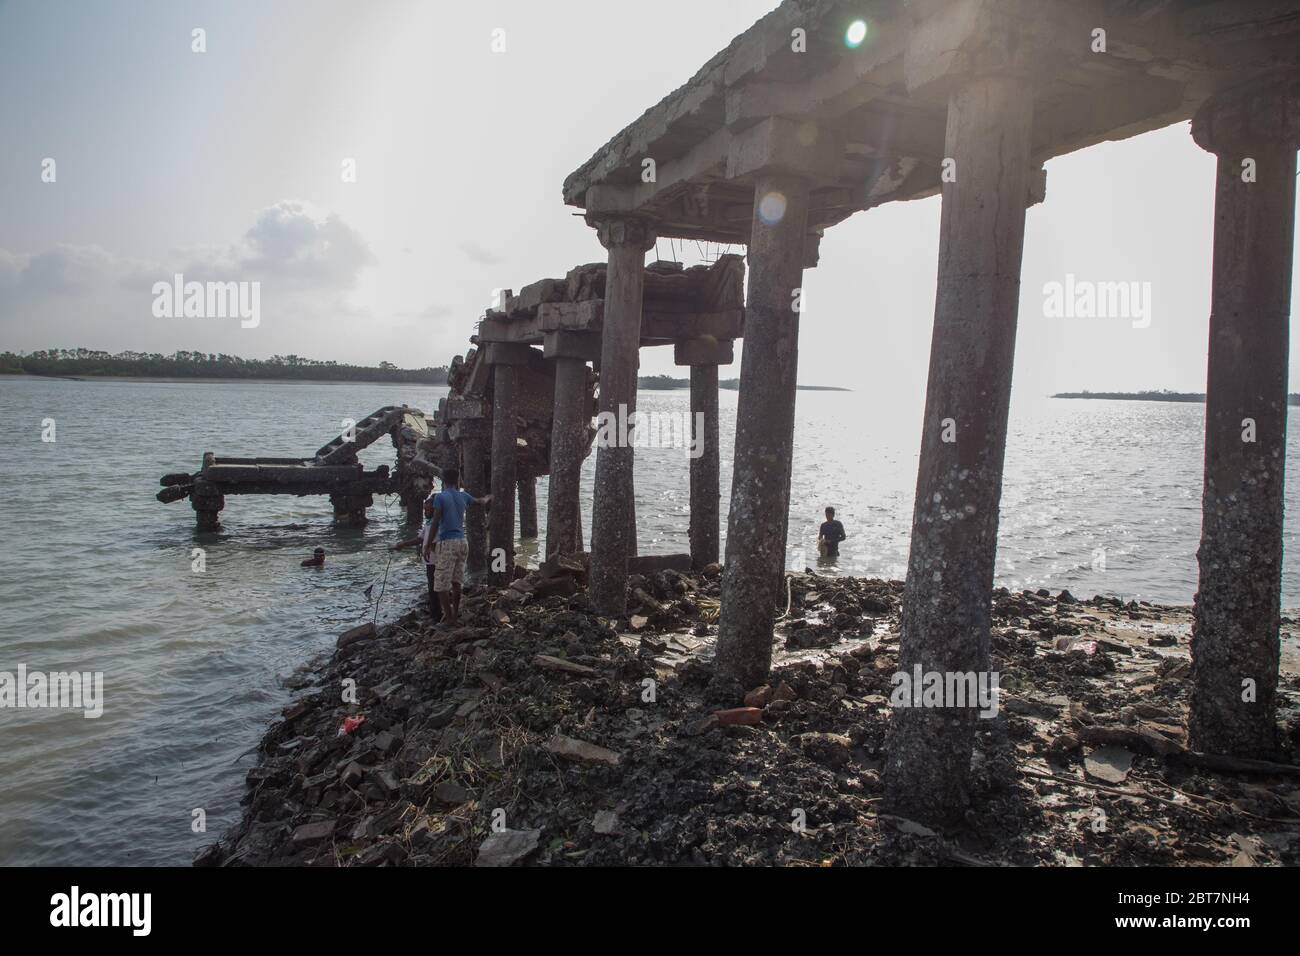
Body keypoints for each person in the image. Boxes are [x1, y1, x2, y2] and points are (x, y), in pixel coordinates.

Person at [424, 468, 490, 626]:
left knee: (440, 586)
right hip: (462, 542)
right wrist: (488, 497)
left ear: (443, 481)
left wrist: (427, 544)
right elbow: (479, 501)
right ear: (458, 480)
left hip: (448, 542)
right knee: (456, 581)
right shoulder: (463, 495)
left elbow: (435, 522)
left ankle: (449, 619)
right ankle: (455, 613)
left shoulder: (440, 497)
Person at [393, 500, 442, 623]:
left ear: (435, 510)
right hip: (429, 560)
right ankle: (434, 613)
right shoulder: (428, 524)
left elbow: (442, 542)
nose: (426, 512)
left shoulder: (439, 524)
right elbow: (419, 539)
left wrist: (431, 547)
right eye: (424, 510)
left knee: (435, 588)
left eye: (429, 510)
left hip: (437, 560)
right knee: (432, 587)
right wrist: (403, 544)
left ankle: (437, 616)